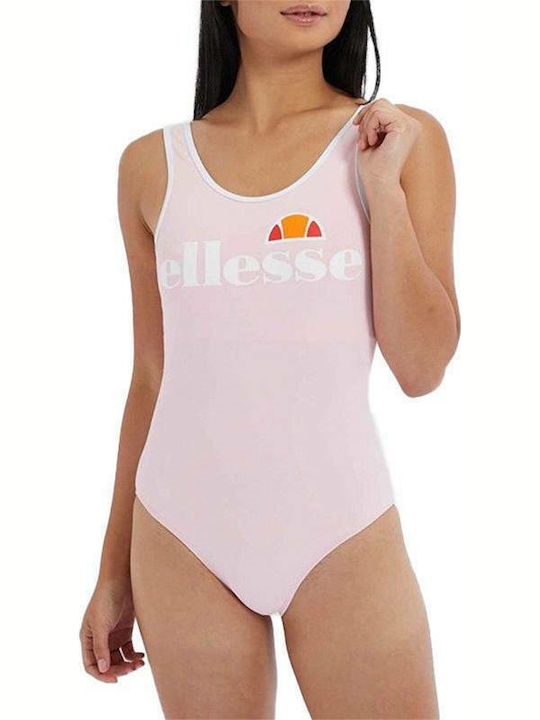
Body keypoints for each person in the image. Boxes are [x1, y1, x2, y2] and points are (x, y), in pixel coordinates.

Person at [80, 1, 460, 717]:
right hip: (180, 532)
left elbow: (422, 369)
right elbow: (152, 377)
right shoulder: (151, 166)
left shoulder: (397, 140)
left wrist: (382, 191)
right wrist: (112, 572)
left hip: (342, 528)